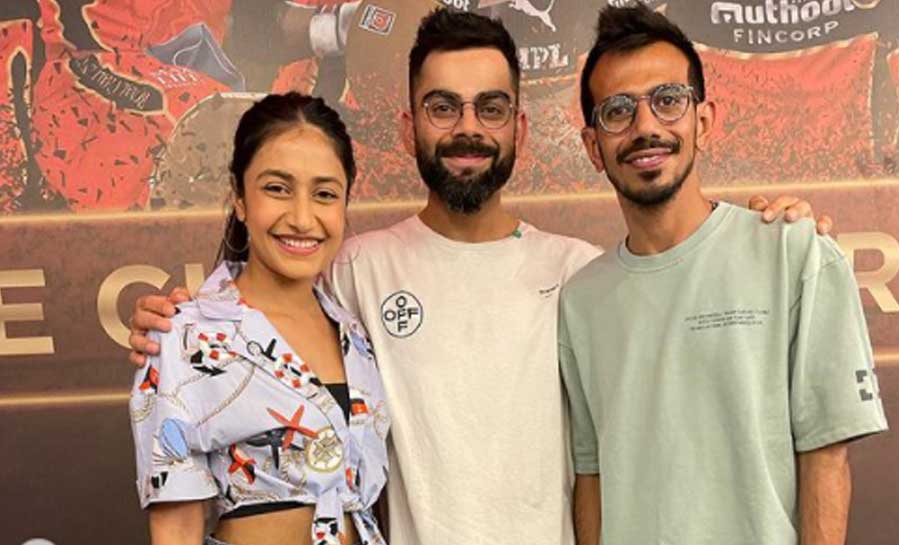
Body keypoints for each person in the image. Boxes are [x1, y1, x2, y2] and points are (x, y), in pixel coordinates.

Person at [128, 9, 833, 545]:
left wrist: (779, 228)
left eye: (491, 108)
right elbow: (257, 312)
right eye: (443, 107)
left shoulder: (584, 276)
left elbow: (688, 289)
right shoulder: (353, 272)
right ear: (408, 127)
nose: (468, 128)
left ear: (519, 129)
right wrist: (177, 322)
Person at [560, 6, 889, 545]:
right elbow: (592, 475)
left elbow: (826, 458)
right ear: (594, 146)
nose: (646, 127)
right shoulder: (580, 300)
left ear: (703, 121)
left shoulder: (795, 252)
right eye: (617, 111)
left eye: (668, 100)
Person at [129, 92, 389, 545]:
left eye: (325, 194)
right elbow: (176, 527)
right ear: (240, 198)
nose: (302, 218)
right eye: (277, 189)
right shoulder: (184, 335)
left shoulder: (356, 334)